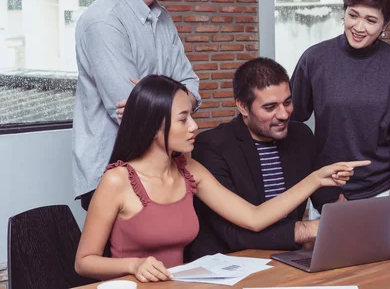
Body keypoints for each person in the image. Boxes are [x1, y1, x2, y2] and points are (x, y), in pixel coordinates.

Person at [74, 74, 369, 283]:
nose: (194, 126)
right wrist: (134, 265)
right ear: (154, 126)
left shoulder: (189, 170)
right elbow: (84, 262)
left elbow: (254, 217)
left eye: (192, 116)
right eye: (183, 119)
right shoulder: (117, 180)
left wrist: (317, 178)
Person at [72, 0, 201, 210]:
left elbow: (190, 84)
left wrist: (156, 100)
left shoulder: (163, 19)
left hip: (159, 168)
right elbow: (132, 116)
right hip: (111, 174)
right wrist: (175, 100)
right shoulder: (103, 21)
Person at [290, 0, 390, 232]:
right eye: (353, 15)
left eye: (371, 20)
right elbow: (292, 127)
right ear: (344, 11)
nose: (359, 28)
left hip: (382, 193)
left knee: (382, 273)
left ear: (386, 24)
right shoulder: (315, 60)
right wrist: (323, 193)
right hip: (327, 194)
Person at [186, 58, 345, 261]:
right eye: (270, 107)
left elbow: (330, 200)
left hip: (287, 259)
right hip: (229, 264)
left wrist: (348, 216)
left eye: (287, 102)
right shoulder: (211, 146)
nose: (283, 114)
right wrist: (308, 230)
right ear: (243, 107)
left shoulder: (301, 136)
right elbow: (233, 234)